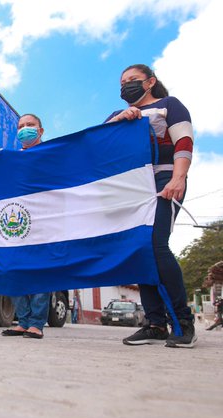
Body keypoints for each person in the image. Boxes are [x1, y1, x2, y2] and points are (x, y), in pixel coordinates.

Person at [106, 64, 196, 348]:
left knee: (157, 245)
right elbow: (100, 143)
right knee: (140, 250)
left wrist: (178, 178)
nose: (126, 85)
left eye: (133, 80)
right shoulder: (116, 116)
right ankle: (155, 323)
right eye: (122, 82)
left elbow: (183, 141)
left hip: (165, 178)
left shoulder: (169, 105)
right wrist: (121, 119)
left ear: (150, 82)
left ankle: (182, 321)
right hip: (133, 188)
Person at [1, 114, 51, 340]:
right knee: (15, 270)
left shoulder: (52, 153)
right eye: (21, 126)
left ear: (41, 131)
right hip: (17, 220)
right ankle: (22, 321)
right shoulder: (11, 159)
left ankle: (37, 324)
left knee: (40, 270)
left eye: (30, 125)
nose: (25, 129)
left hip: (44, 219)